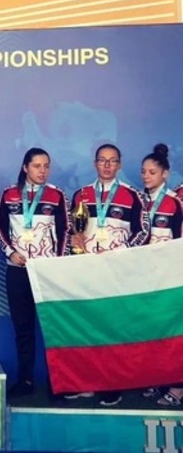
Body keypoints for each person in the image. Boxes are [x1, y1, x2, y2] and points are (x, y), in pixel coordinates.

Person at [68, 143, 149, 406]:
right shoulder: (81, 195)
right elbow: (72, 230)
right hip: (87, 269)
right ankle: (88, 383)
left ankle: (112, 384)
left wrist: (120, 253)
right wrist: (75, 241)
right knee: (87, 327)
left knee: (113, 328)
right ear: (95, 164)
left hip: (117, 271)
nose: (107, 165)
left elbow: (142, 232)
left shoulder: (132, 196)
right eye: (102, 160)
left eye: (112, 161)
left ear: (120, 165)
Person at [0, 148, 69, 397]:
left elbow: (65, 231)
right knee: (23, 328)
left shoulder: (57, 196)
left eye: (46, 166)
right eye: (37, 166)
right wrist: (10, 253)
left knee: (53, 329)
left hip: (47, 273)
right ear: (25, 168)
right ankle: (25, 380)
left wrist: (55, 263)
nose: (42, 171)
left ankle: (57, 383)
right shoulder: (9, 194)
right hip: (17, 270)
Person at [137, 144, 183, 406]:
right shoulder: (139, 200)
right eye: (143, 172)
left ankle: (177, 387)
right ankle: (158, 379)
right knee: (152, 330)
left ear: (165, 174)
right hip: (145, 277)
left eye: (152, 172)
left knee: (172, 332)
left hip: (169, 277)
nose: (146, 176)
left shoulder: (175, 203)